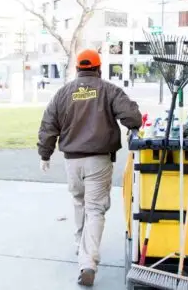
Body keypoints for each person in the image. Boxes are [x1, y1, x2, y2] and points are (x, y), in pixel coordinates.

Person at [37, 49, 142, 286]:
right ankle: (88, 263)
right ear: (98, 68)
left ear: (77, 69)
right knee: (95, 209)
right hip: (98, 160)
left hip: (72, 161)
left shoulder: (63, 93)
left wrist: (45, 155)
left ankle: (80, 247)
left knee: (79, 202)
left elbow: (48, 125)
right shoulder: (108, 90)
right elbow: (132, 117)